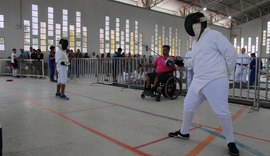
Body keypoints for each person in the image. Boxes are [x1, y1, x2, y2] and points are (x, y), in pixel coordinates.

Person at [168, 12, 239, 156]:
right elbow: (195, 61)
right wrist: (182, 63)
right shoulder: (196, 43)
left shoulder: (214, 35)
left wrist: (224, 72)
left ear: (199, 24)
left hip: (215, 80)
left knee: (221, 112)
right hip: (198, 81)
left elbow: (231, 54)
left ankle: (231, 141)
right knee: (188, 105)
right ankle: (184, 132)